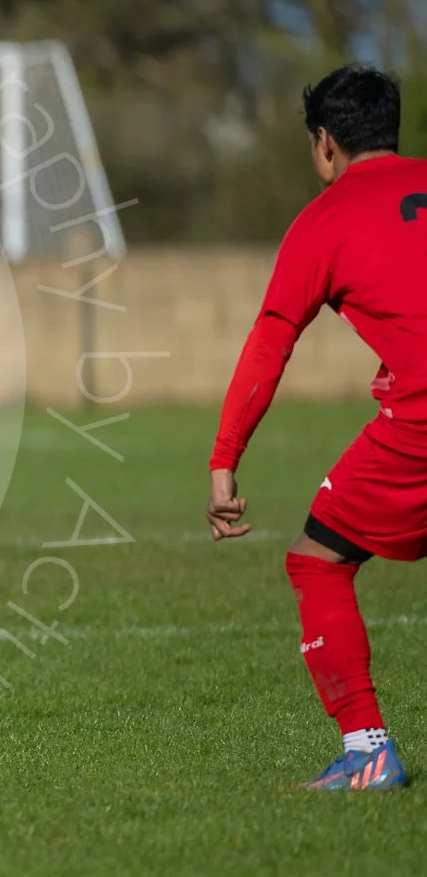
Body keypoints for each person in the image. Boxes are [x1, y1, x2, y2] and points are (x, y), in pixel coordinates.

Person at [208, 64, 424, 791]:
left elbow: (272, 342)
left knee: (316, 562)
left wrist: (224, 458)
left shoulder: (324, 219)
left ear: (325, 143)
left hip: (421, 424)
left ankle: (368, 753)